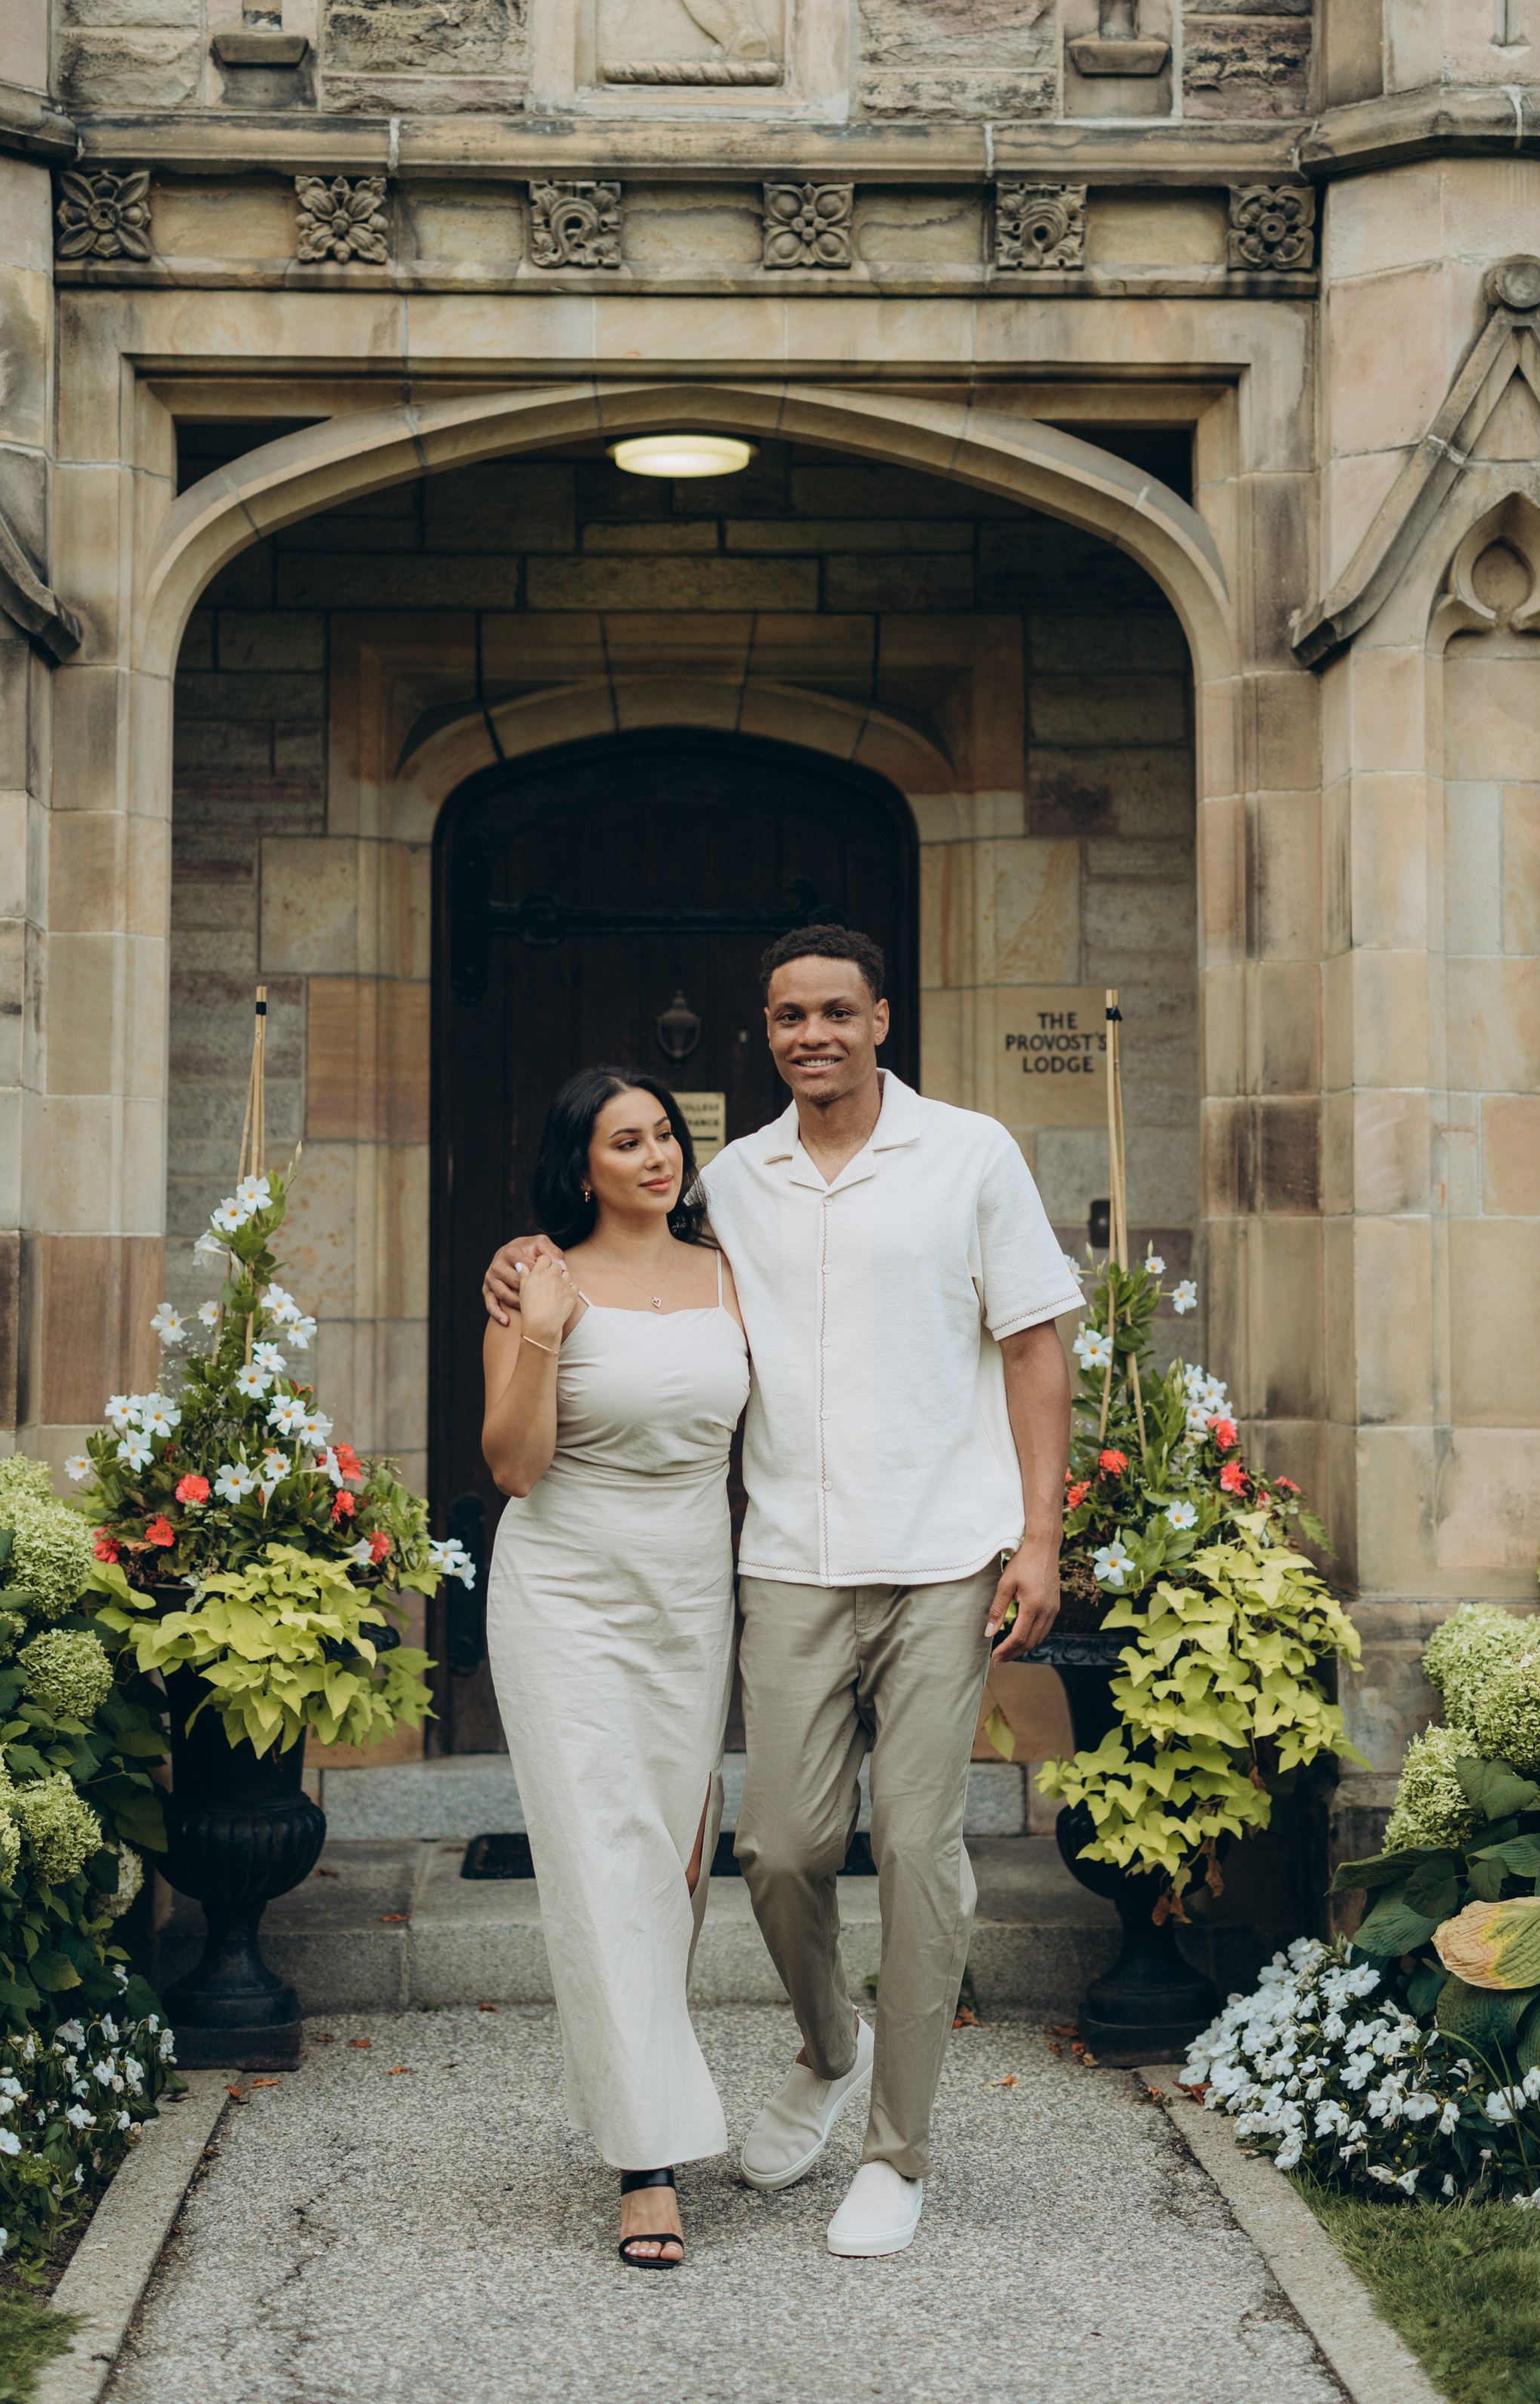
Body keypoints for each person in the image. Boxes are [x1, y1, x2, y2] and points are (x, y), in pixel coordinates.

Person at [484, 924, 1081, 2259]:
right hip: (786, 1562)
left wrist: (1038, 1540)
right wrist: (523, 1269)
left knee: (920, 1852)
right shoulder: (732, 1186)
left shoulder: (972, 1154)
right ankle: (829, 2044)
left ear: (881, 1019)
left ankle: (898, 2152)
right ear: (765, 1034)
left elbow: (1036, 1347)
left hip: (942, 1555)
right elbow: (620, 1272)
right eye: (787, 1016)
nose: (811, 1034)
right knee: (781, 1852)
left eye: (834, 1012)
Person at [480, 1065, 748, 2272]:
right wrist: (539, 1336)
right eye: (624, 1141)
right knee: (599, 1856)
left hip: (692, 1589)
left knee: (674, 1858)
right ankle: (647, 2164)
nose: (655, 1156)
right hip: (566, 1588)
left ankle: (643, 2088)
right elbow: (516, 1467)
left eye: (665, 1135)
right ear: (578, 1164)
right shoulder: (538, 1278)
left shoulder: (734, 1269)